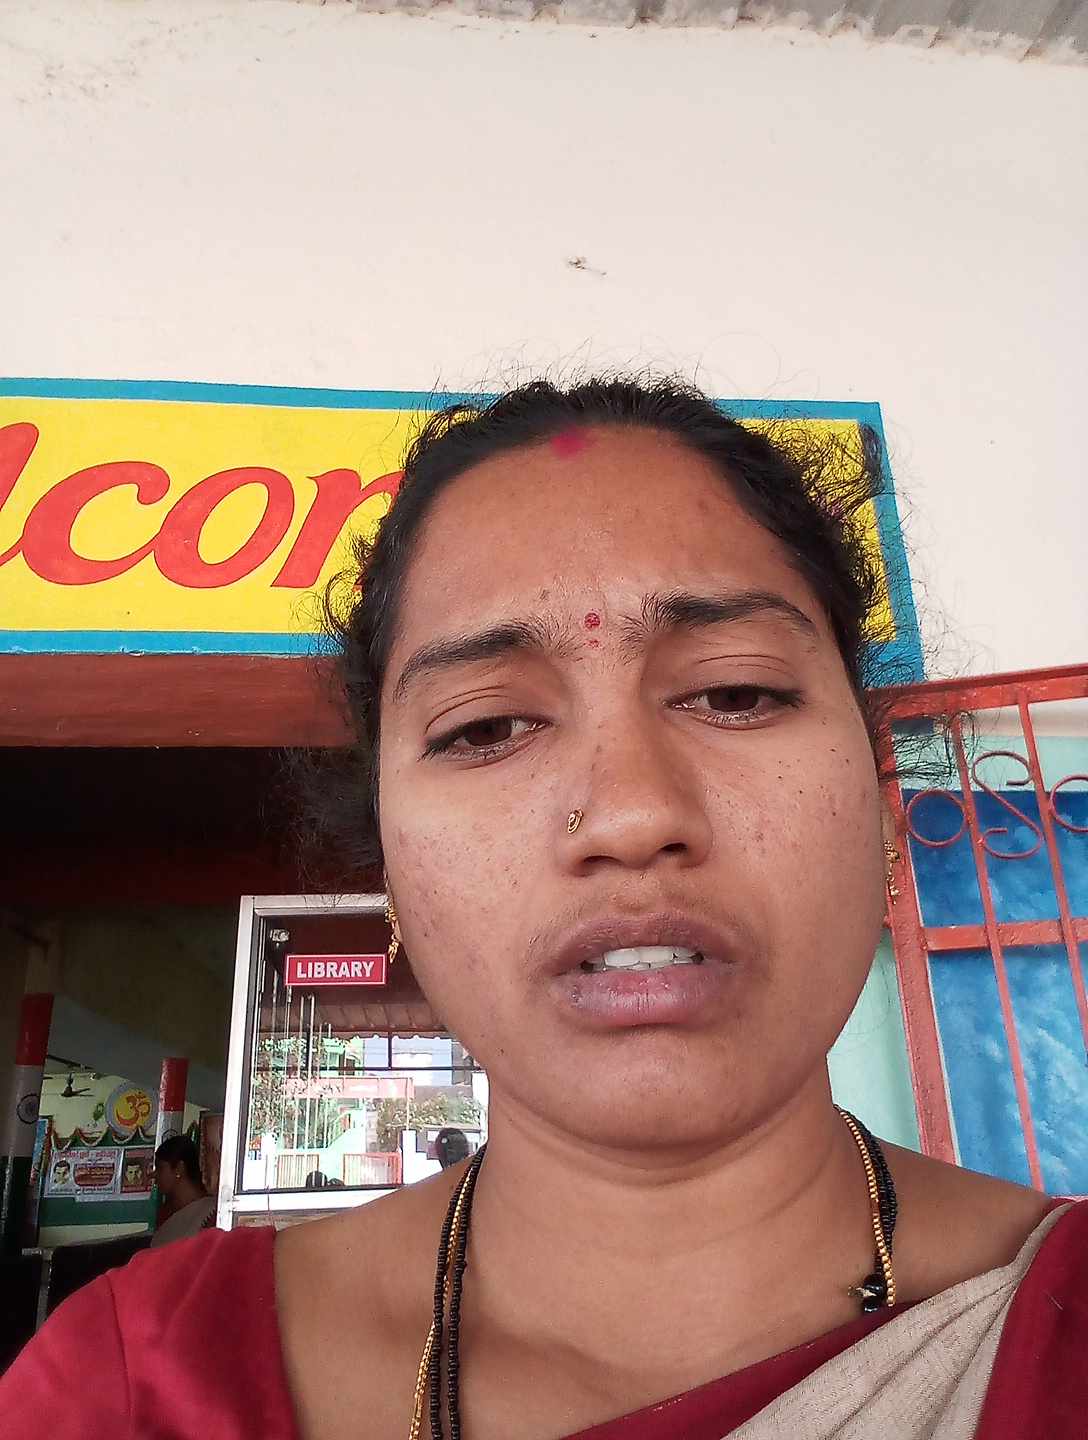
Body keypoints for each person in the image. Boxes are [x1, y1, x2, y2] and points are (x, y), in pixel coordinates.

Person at [2, 376, 1084, 1437]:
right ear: (391, 869)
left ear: (883, 807)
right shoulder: (133, 1390)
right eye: (484, 728)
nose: (630, 814)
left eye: (736, 692)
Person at [149, 1135, 216, 1249]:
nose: (153, 1175)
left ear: (179, 1169)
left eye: (160, 1168)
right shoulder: (165, 1212)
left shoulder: (212, 1213)